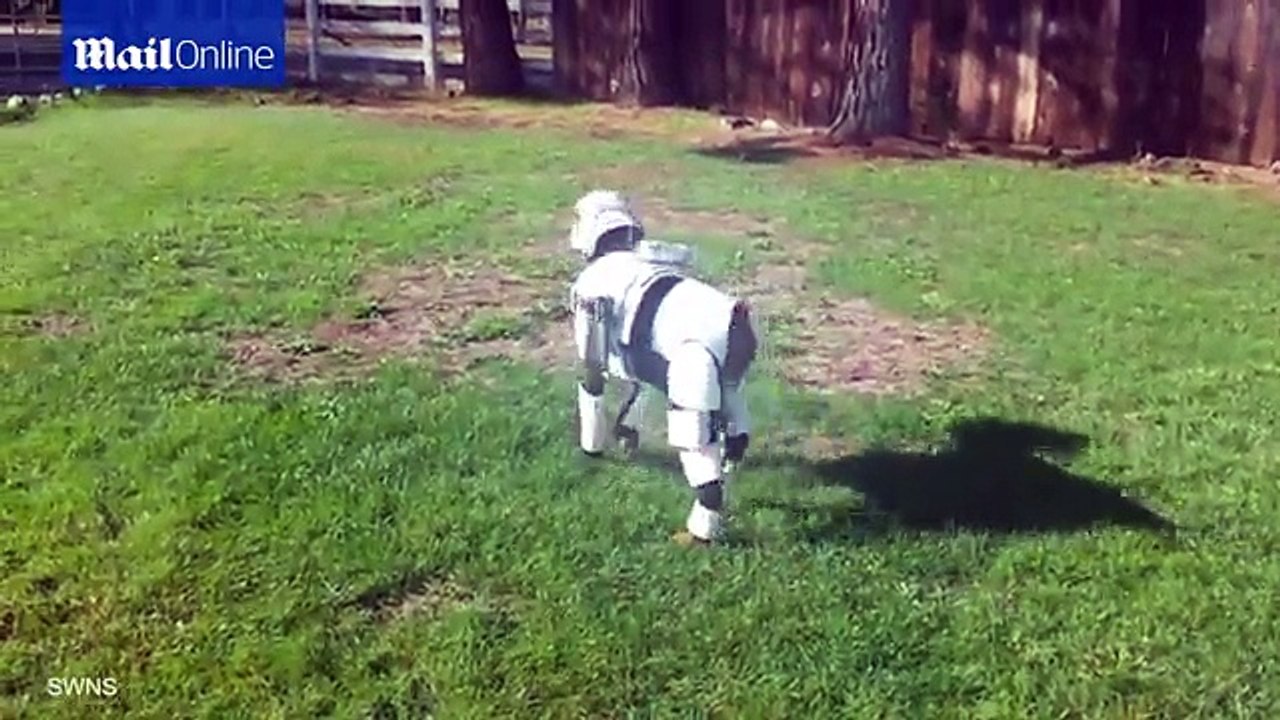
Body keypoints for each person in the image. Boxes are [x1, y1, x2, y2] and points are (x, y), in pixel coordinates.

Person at [567, 189, 759, 546]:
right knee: (725, 392)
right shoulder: (651, 261)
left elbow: (591, 368)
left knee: (693, 433)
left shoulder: (591, 283)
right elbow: (639, 367)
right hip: (733, 317)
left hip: (689, 343)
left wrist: (591, 444)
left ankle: (706, 525)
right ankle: (733, 453)